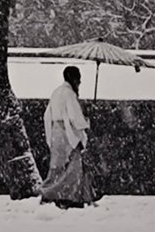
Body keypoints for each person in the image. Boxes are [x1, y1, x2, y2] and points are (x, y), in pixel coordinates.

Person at [40, 65, 100, 209]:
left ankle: (51, 193)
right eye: (78, 79)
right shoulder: (69, 94)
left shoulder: (56, 92)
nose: (79, 82)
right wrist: (86, 122)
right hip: (68, 133)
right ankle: (68, 195)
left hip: (56, 132)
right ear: (74, 78)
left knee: (57, 166)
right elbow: (74, 116)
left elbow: (47, 114)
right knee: (73, 166)